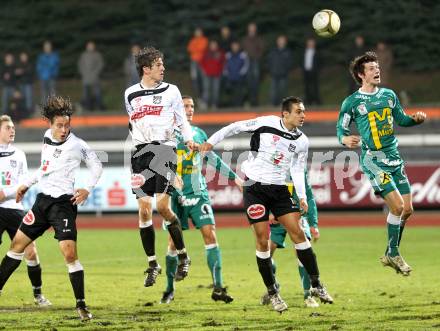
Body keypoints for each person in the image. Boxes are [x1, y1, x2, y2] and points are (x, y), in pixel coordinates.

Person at [200, 96, 333, 313]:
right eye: (298, 111)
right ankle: (273, 293)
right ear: (285, 114)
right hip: (255, 189)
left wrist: (301, 196)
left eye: (304, 111)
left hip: (280, 190)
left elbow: (298, 169)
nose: (303, 115)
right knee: (262, 240)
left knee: (298, 233)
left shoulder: (302, 141)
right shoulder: (266, 123)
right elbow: (235, 127)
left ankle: (317, 284)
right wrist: (211, 142)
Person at [0, 96, 103, 321]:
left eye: (67, 125)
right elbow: (44, 168)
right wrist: (25, 185)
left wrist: (87, 188)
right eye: (59, 125)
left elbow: (96, 164)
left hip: (63, 206)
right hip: (41, 203)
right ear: (50, 124)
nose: (64, 129)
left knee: (69, 253)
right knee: (17, 245)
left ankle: (81, 305)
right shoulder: (46, 137)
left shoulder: (77, 145)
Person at [337, 52, 426, 276]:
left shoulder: (388, 95)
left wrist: (414, 120)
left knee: (407, 210)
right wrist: (345, 139)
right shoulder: (352, 102)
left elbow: (402, 119)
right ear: (361, 74)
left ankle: (389, 252)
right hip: (374, 160)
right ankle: (394, 253)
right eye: (371, 68)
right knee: (397, 207)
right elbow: (341, 129)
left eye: (377, 67)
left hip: (394, 157)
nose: (377, 71)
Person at [124, 46, 194, 289]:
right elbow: (135, 125)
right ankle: (152, 264)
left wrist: (188, 138)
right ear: (146, 69)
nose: (163, 68)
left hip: (165, 150)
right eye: (158, 65)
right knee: (144, 211)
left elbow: (181, 120)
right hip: (141, 155)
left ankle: (184, 255)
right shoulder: (130, 94)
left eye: (163, 64)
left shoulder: (172, 91)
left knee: (162, 206)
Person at [160, 95, 241, 304]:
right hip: (174, 194)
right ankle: (169, 289)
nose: (190, 109)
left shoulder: (199, 133)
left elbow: (212, 158)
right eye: (185, 106)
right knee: (172, 243)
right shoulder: (165, 133)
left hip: (197, 192)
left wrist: (235, 178)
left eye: (192, 106)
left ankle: (219, 287)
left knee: (210, 235)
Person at [0, 115, 51, 306]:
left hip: (14, 209)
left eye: (13, 127)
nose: (12, 130)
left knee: (31, 252)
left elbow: (23, 183)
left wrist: (5, 192)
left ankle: (38, 295)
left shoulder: (19, 154)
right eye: (7, 128)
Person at [261, 170, 321, 308]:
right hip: (277, 217)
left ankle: (308, 295)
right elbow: (263, 192)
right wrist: (269, 212)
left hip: (297, 216)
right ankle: (273, 285)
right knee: (266, 255)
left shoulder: (300, 168)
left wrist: (313, 224)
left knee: (302, 254)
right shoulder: (272, 164)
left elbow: (309, 195)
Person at [242, 22, 264, 106]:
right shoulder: (245, 39)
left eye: (253, 28)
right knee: (248, 82)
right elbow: (242, 49)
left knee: (255, 81)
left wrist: (257, 57)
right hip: (247, 62)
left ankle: (255, 102)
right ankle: (250, 101)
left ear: (255, 29)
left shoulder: (258, 39)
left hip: (255, 61)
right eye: (250, 28)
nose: (252, 30)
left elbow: (261, 49)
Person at [78, 41, 105, 111]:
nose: (90, 47)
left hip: (95, 78)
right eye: (89, 46)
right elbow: (80, 65)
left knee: (97, 93)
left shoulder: (97, 55)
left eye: (92, 46)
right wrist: (83, 73)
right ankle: (88, 107)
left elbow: (100, 64)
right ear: (87, 47)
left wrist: (96, 73)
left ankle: (99, 107)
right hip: (86, 78)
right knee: (86, 94)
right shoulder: (83, 55)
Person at [267, 35, 293, 106]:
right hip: (274, 74)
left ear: (285, 42)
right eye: (280, 41)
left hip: (283, 75)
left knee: (283, 91)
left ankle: (282, 105)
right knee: (273, 91)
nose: (281, 42)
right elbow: (269, 61)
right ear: (277, 42)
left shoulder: (288, 52)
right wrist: (271, 70)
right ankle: (272, 105)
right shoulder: (273, 51)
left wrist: (285, 71)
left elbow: (290, 63)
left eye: (282, 41)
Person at [199, 40, 225, 110]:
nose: (213, 46)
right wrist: (203, 71)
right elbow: (201, 62)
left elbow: (223, 63)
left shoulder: (220, 53)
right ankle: (205, 103)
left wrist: (220, 71)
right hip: (207, 74)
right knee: (206, 89)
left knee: (216, 89)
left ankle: (214, 104)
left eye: (214, 44)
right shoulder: (206, 53)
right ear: (210, 45)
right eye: (212, 44)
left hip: (217, 74)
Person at [223, 41, 249, 107]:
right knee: (231, 92)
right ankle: (233, 105)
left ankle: (239, 105)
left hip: (239, 77)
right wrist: (226, 72)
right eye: (233, 46)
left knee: (239, 92)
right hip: (230, 77)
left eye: (236, 46)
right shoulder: (228, 55)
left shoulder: (242, 55)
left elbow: (246, 65)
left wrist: (242, 73)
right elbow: (225, 65)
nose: (235, 47)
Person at [186, 28, 208, 100]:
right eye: (196, 32)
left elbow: (202, 48)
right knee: (194, 79)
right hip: (194, 62)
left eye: (199, 32)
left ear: (201, 33)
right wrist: (196, 48)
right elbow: (189, 49)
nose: (197, 33)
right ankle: (198, 98)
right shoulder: (193, 40)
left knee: (204, 79)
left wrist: (195, 48)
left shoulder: (204, 40)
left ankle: (204, 98)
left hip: (202, 62)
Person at [302, 38, 321, 105]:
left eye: (312, 43)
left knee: (315, 87)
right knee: (307, 87)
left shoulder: (317, 52)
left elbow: (320, 62)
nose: (310, 44)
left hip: (314, 72)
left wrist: (317, 69)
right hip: (306, 72)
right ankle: (308, 101)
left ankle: (316, 101)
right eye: (309, 43)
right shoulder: (304, 51)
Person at [15, 52, 34, 116]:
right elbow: (16, 73)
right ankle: (24, 113)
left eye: (24, 56)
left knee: (29, 98)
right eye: (22, 57)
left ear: (26, 57)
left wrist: (22, 71)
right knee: (22, 99)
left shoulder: (29, 64)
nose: (23, 58)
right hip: (21, 84)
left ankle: (29, 113)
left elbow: (29, 71)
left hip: (28, 83)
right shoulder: (19, 64)